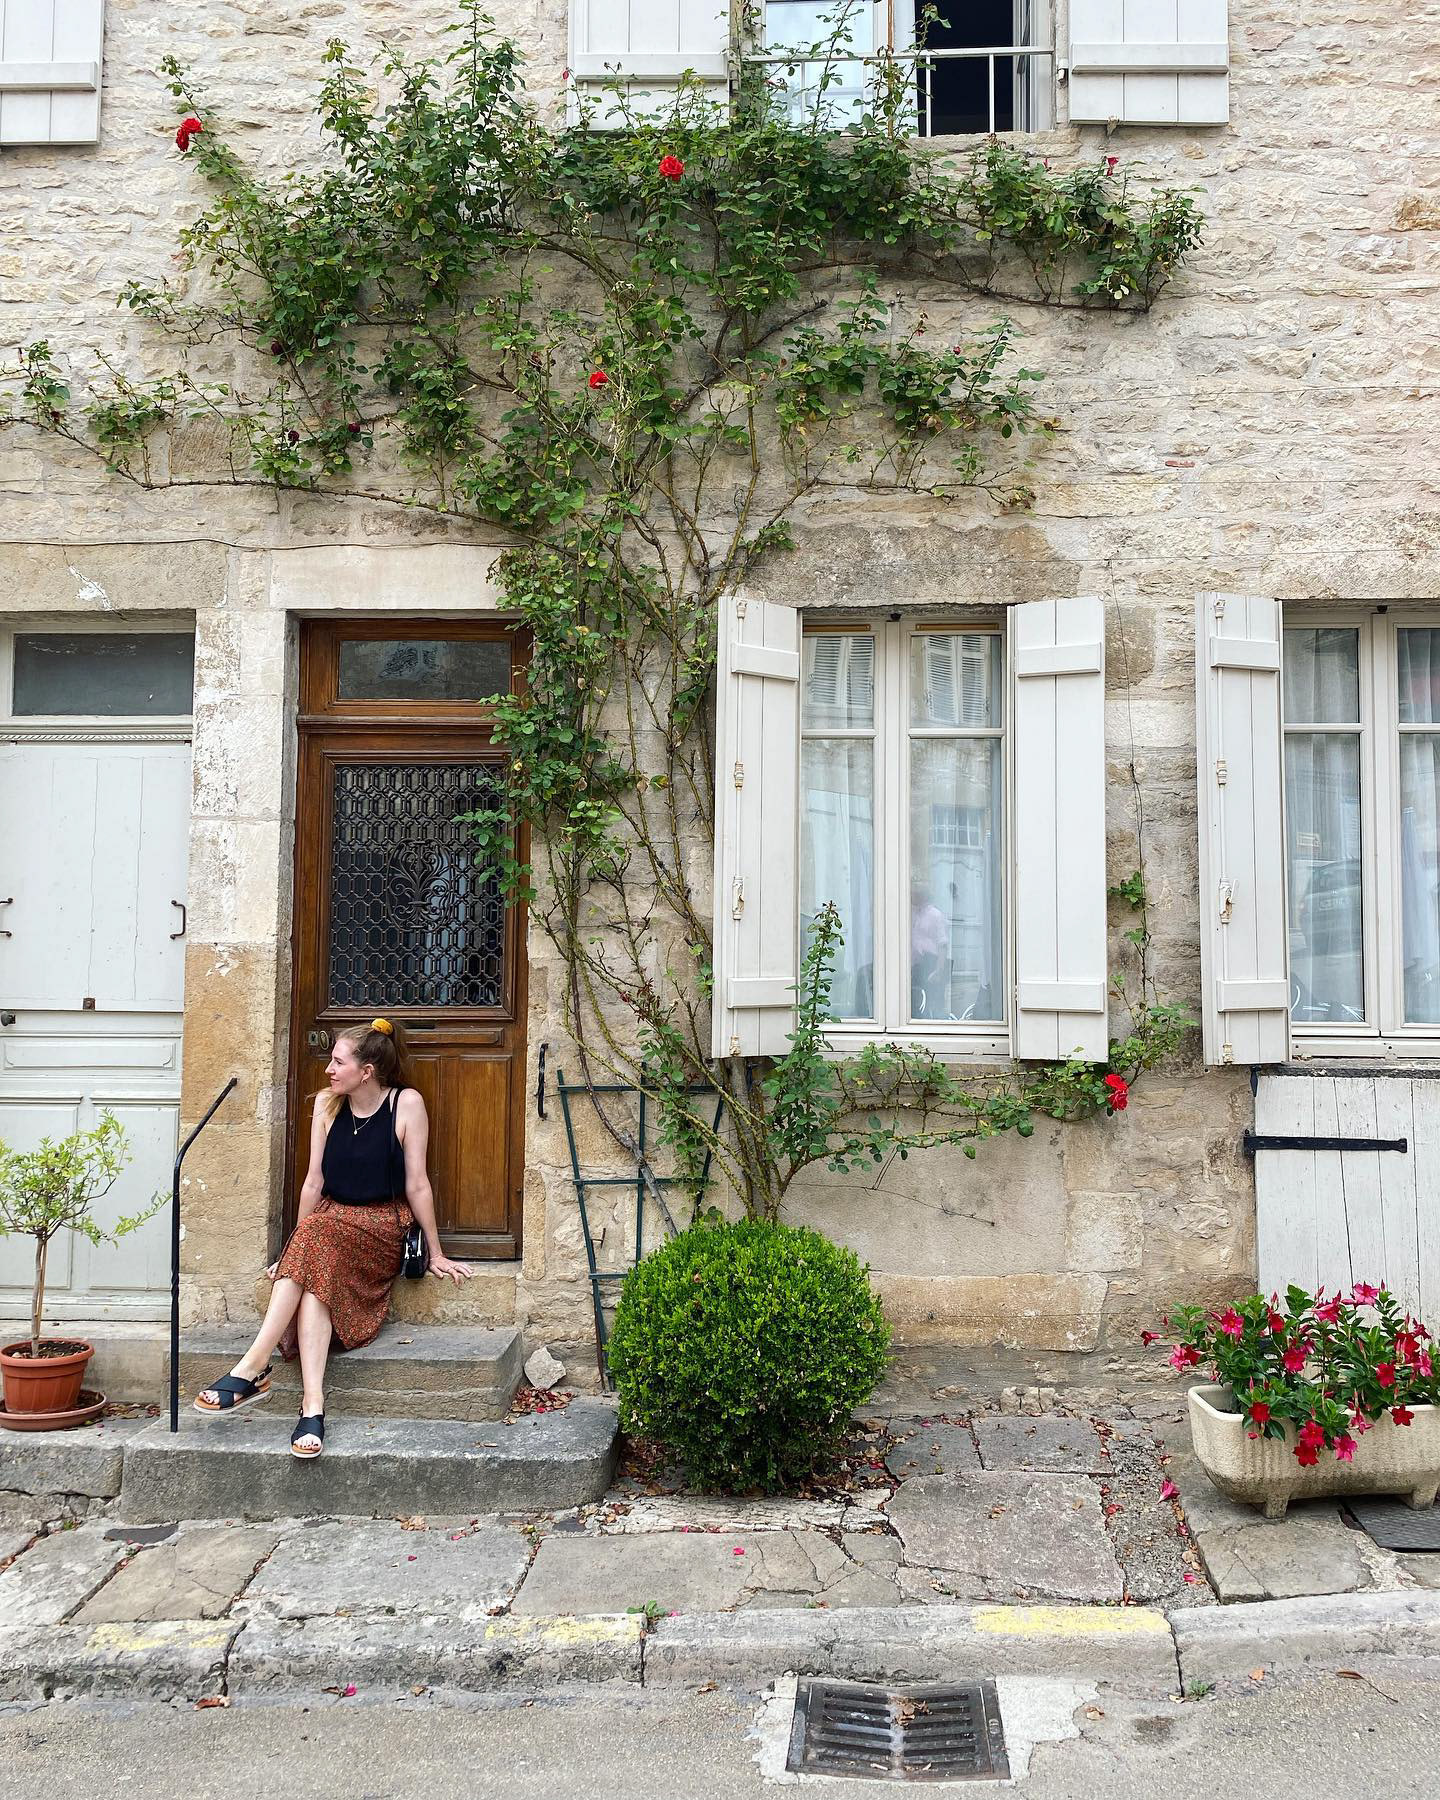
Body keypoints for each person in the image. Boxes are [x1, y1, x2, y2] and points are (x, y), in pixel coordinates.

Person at [193, 1017, 471, 1457]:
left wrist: (435, 1252)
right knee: (313, 1281)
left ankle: (253, 1366)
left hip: (379, 1225)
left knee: (316, 1239)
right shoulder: (327, 1104)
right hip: (329, 1221)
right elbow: (313, 1182)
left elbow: (417, 1183)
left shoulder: (406, 1104)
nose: (328, 1069)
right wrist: (293, 1252)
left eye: (339, 1062)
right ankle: (312, 1406)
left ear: (367, 1071)